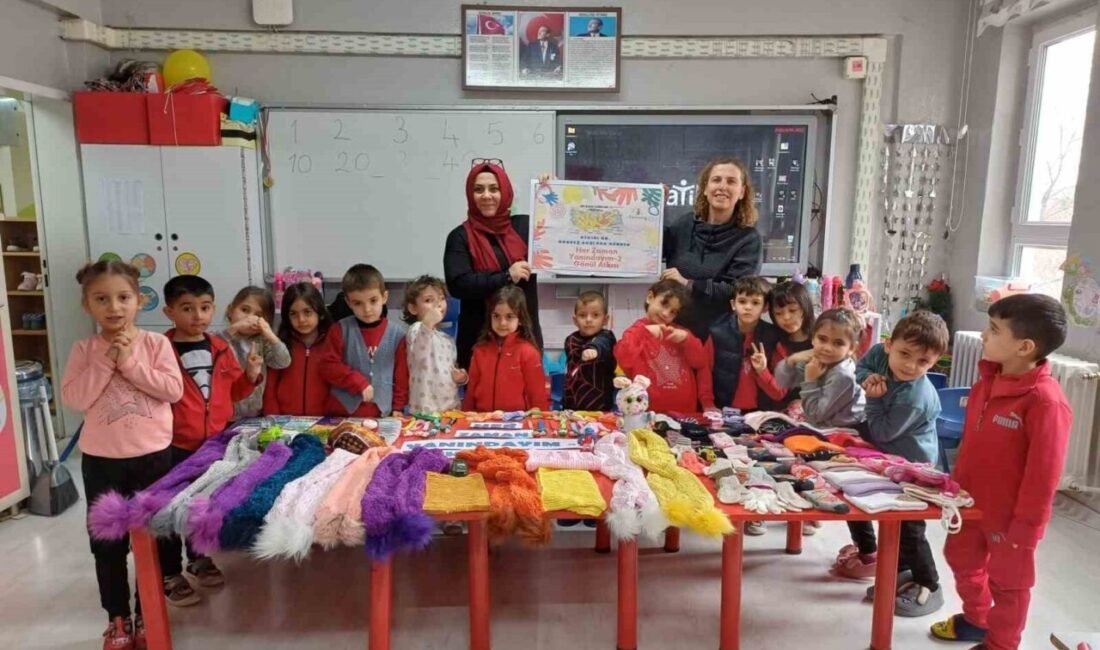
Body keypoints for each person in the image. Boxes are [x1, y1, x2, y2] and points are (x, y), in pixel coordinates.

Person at [932, 294, 1072, 650]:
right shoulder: (986, 382)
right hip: (968, 504)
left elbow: (1044, 476)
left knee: (1009, 584)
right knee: (960, 559)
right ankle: (978, 619)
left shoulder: (1045, 401)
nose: (983, 335)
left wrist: (1026, 530)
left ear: (1025, 347)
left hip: (1012, 519)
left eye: (993, 330)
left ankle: (1001, 644)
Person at [62, 261, 184, 650]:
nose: (114, 307)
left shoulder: (156, 345)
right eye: (102, 299)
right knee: (108, 545)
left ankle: (148, 612)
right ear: (87, 306)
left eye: (123, 297)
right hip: (102, 463)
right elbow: (75, 398)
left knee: (156, 538)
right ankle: (117, 619)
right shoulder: (83, 350)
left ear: (138, 300)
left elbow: (172, 390)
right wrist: (106, 360)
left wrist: (129, 362)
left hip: (153, 460)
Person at [834, 311, 950, 616]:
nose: (910, 366)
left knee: (910, 526)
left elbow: (883, 430)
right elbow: (862, 368)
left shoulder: (915, 396)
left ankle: (930, 583)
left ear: (934, 361)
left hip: (912, 464)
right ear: (888, 345)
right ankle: (896, 571)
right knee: (857, 500)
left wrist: (872, 398)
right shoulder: (878, 353)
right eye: (905, 354)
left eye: (923, 361)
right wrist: (866, 379)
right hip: (884, 455)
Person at [161, 275, 262, 606]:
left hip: (212, 443)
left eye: (204, 308)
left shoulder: (220, 347)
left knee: (201, 504)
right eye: (187, 308)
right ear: (169, 312)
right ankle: (169, 571)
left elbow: (234, 394)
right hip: (173, 444)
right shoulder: (160, 349)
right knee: (169, 510)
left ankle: (199, 557)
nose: (197, 316)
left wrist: (250, 376)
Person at [444, 160, 543, 369]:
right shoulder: (460, 237)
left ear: (505, 192)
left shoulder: (525, 226)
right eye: (478, 190)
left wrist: (553, 192)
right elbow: (459, 284)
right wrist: (506, 277)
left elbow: (560, 230)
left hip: (524, 340)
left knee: (525, 400)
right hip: (479, 342)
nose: (486, 195)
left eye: (494, 188)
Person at [662, 157, 763, 340]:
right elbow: (656, 248)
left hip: (720, 338)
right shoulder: (685, 224)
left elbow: (737, 290)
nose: (722, 187)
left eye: (731, 181)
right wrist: (654, 210)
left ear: (742, 192)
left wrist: (689, 284)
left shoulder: (748, 239)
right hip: (675, 330)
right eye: (716, 180)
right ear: (705, 189)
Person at [263, 282, 366, 416]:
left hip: (326, 422)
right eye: (293, 314)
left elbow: (344, 381)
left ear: (320, 313)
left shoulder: (335, 344)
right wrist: (272, 418)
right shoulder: (280, 346)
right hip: (285, 423)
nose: (301, 319)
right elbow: (270, 387)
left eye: (307, 312)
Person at [614, 279, 709, 414]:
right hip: (647, 412)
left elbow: (700, 361)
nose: (666, 314)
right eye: (664, 304)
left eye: (673, 312)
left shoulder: (681, 333)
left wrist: (687, 340)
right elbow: (624, 359)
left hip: (685, 412)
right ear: (650, 297)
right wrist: (644, 332)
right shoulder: (636, 331)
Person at [327, 264, 409, 417]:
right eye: (358, 303)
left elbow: (401, 376)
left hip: (381, 414)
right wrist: (358, 383)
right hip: (343, 413)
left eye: (373, 301)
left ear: (384, 297)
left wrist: (398, 407)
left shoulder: (397, 334)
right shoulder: (339, 330)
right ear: (348, 303)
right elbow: (329, 366)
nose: (367, 309)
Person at [699, 275, 783, 413]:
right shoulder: (717, 332)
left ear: (765, 307)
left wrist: (763, 371)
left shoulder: (773, 337)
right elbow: (705, 371)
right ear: (733, 304)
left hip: (761, 413)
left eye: (755, 303)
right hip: (723, 410)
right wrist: (707, 404)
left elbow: (779, 393)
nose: (748, 307)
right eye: (742, 301)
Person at [775, 307, 865, 428]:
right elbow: (782, 383)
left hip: (848, 428)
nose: (827, 348)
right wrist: (791, 360)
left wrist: (810, 380)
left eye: (838, 343)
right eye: (822, 339)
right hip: (822, 422)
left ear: (852, 348)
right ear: (813, 338)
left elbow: (815, 415)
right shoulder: (816, 359)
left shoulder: (843, 376)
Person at [462, 285, 549, 412]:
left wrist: (540, 423)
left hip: (517, 423)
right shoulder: (479, 350)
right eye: (496, 316)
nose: (502, 323)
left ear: (520, 319)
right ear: (489, 317)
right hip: (483, 422)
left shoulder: (529, 353)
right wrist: (466, 419)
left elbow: (537, 395)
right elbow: (470, 392)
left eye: (509, 316)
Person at [216, 286, 291, 420]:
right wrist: (235, 328)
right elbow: (213, 348)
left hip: (254, 414)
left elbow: (283, 361)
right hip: (224, 414)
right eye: (245, 310)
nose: (250, 318)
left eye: (258, 315)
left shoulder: (263, 342)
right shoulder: (222, 338)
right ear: (230, 311)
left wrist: (269, 334)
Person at [402, 275, 468, 413]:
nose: (438, 304)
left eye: (442, 298)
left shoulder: (448, 339)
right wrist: (427, 323)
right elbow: (420, 351)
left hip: (450, 408)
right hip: (426, 410)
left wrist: (460, 378)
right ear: (413, 308)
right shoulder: (417, 329)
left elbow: (451, 370)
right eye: (428, 300)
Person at [563, 290, 618, 411]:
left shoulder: (607, 336)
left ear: (605, 319)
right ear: (575, 320)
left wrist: (594, 349)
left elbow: (601, 343)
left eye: (595, 315)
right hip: (571, 405)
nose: (588, 319)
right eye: (582, 315)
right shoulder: (570, 340)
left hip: (600, 406)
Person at [768, 281, 816, 413]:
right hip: (782, 413)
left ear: (804, 307)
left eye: (793, 310)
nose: (786, 317)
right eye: (778, 313)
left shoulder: (820, 339)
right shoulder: (774, 343)